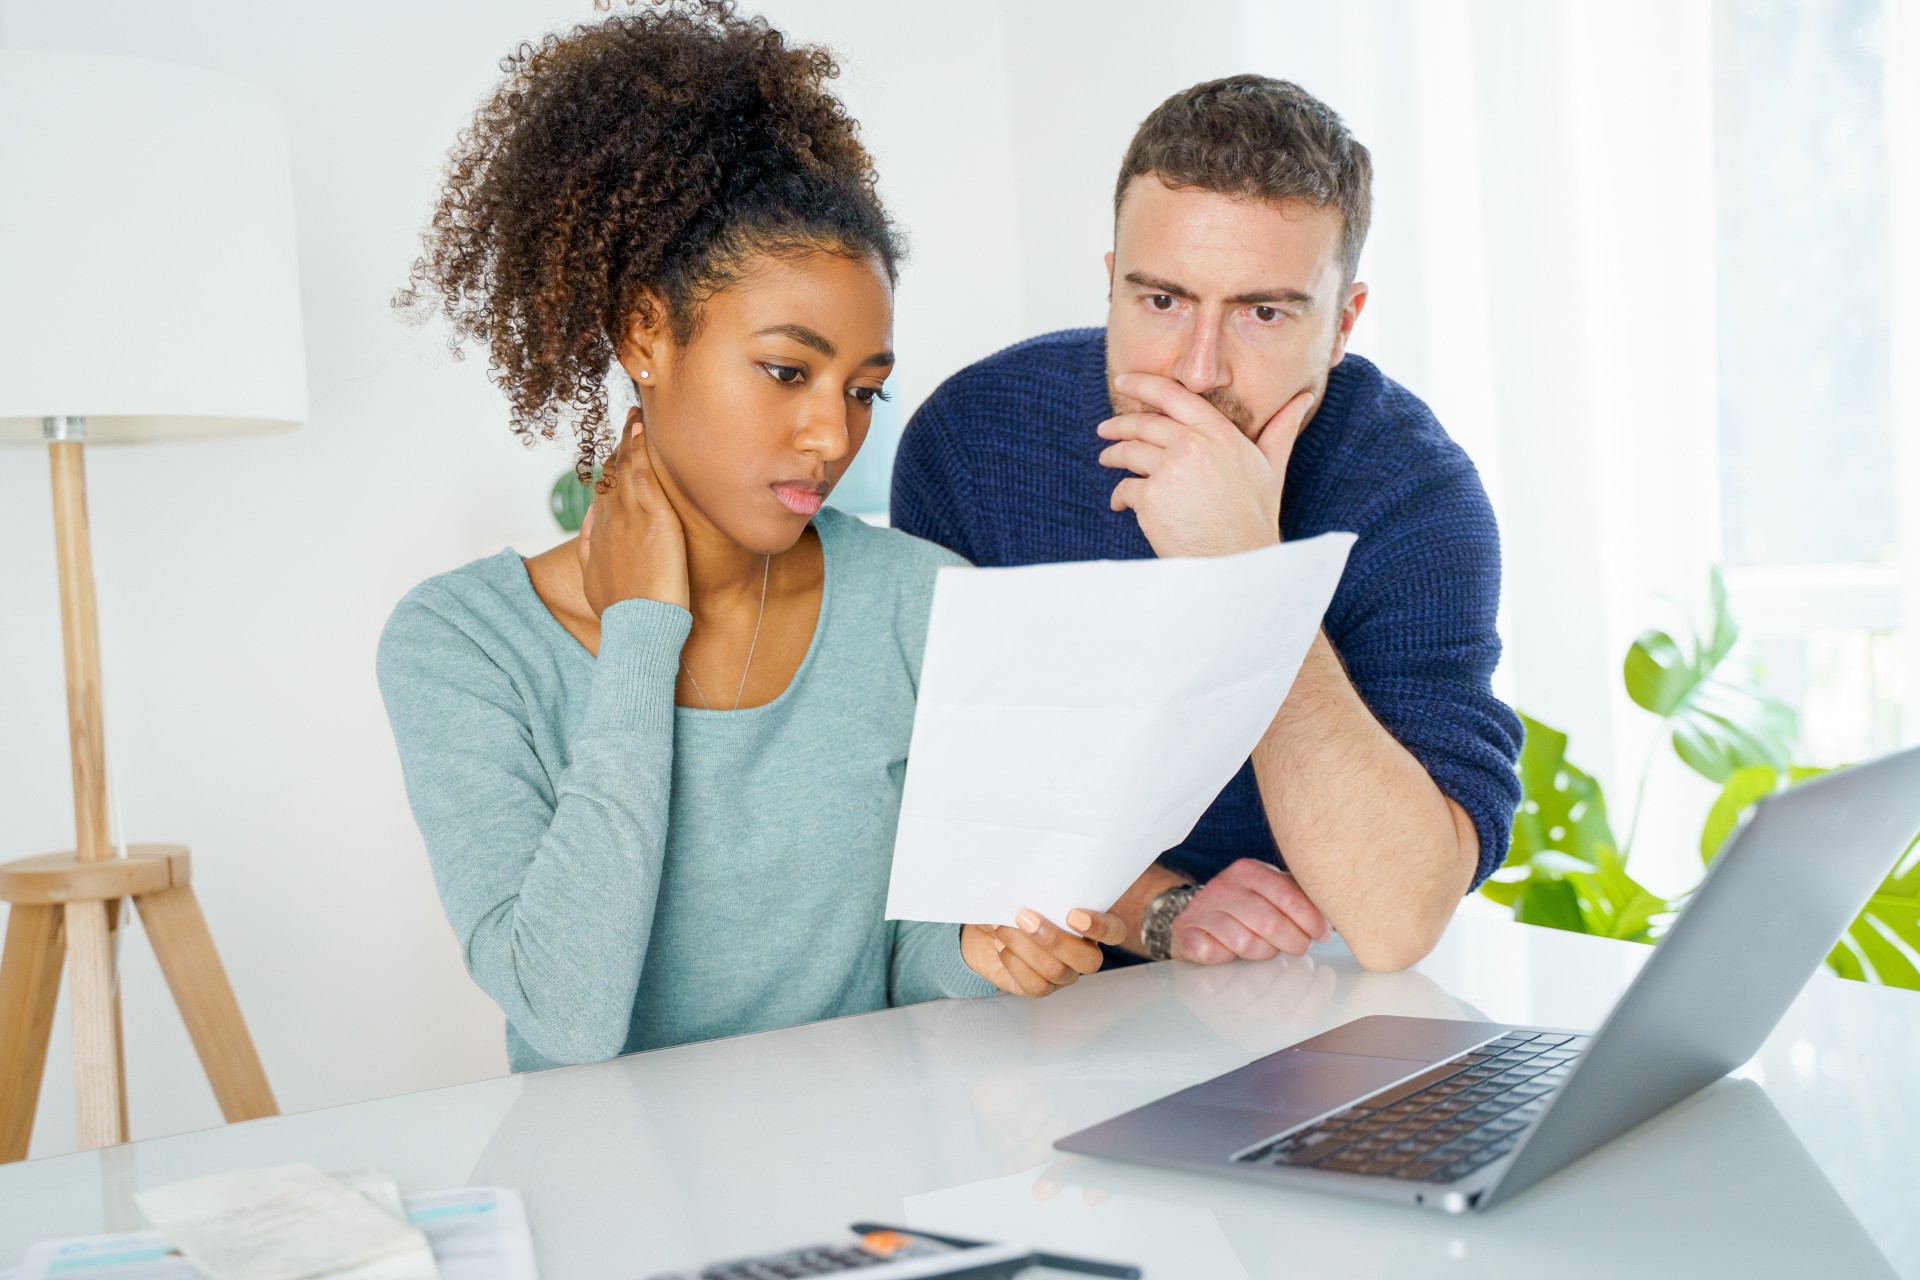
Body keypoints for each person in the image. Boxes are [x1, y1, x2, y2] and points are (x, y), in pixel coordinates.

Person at [377, 0, 1122, 1073]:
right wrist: (642, 631)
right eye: (787, 370)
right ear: (647, 331)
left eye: (864, 388)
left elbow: (899, 963)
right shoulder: (464, 643)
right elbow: (568, 1013)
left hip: (875, 1201)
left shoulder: (922, 600)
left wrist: (979, 954)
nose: (832, 433)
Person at [892, 75, 1523, 974]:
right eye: (1161, 301)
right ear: (1110, 284)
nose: (1196, 371)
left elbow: (1396, 918)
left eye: (1262, 313)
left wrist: (1248, 575)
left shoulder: (1413, 496)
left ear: (1342, 325)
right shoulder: (977, 439)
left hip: (1288, 1011)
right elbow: (935, 792)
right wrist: (1159, 907)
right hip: (1024, 1008)